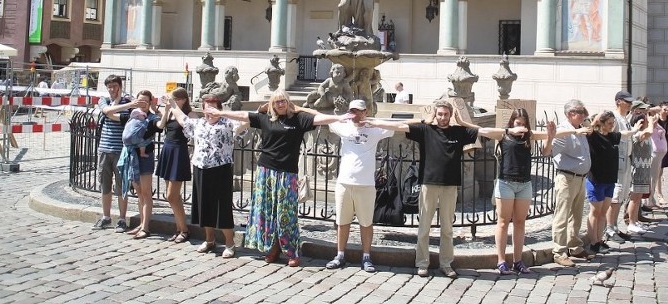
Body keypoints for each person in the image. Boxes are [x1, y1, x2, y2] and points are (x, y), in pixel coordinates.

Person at [367, 100, 518, 278]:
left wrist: (462, 122)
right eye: (439, 114)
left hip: (450, 185)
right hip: (428, 184)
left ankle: (446, 264)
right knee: (424, 227)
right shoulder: (425, 130)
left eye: (446, 114)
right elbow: (401, 126)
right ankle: (422, 263)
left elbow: (482, 131)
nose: (443, 117)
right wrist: (423, 120)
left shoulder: (459, 131)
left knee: (447, 228)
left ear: (450, 115)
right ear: (435, 114)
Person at [209, 89, 350, 267]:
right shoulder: (265, 118)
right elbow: (242, 115)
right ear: (272, 105)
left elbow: (320, 117)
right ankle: (272, 248)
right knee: (267, 212)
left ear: (288, 102)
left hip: (287, 173)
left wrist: (338, 117)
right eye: (276, 102)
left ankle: (291, 251)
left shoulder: (299, 119)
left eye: (283, 101)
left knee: (286, 213)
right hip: (265, 171)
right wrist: (220, 112)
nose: (280, 104)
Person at [489, 109, 563, 274]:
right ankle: (501, 260)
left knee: (520, 222)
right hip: (506, 182)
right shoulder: (504, 135)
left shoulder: (529, 136)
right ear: (512, 122)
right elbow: (483, 131)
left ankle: (517, 260)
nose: (521, 127)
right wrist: (510, 131)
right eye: (518, 123)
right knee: (502, 222)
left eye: (523, 124)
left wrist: (550, 136)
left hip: (524, 184)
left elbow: (545, 152)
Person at [324, 100, 394, 272]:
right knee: (342, 221)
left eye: (358, 111)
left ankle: (366, 256)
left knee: (366, 222)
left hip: (366, 184)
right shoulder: (344, 126)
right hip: (344, 182)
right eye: (352, 111)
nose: (354, 115)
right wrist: (342, 117)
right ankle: (340, 254)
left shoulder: (375, 129)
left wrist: (373, 121)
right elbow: (322, 118)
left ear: (365, 111)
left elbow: (397, 126)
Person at [170, 94, 239, 258]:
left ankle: (229, 242)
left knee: (222, 207)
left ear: (219, 107)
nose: (209, 110)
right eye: (206, 107)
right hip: (201, 167)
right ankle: (209, 240)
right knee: (204, 205)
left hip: (220, 169)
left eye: (213, 106)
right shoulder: (199, 123)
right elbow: (182, 119)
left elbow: (244, 121)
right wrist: (172, 103)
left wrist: (222, 114)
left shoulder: (228, 123)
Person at [544, 99, 594, 267]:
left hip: (580, 178)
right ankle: (559, 251)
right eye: (581, 112)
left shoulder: (580, 128)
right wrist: (571, 133)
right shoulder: (564, 131)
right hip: (567, 178)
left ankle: (575, 246)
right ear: (571, 114)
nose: (584, 115)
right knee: (562, 215)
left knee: (577, 215)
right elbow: (549, 151)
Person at [585, 111, 641, 254]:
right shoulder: (593, 136)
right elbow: (588, 127)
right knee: (595, 212)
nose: (612, 126)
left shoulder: (612, 137)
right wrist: (595, 119)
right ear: (601, 123)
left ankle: (600, 239)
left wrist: (635, 130)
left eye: (613, 123)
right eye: (609, 123)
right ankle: (593, 243)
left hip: (610, 180)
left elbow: (625, 134)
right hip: (596, 179)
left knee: (603, 212)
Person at [119, 91, 161, 239]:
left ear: (150, 102)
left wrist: (157, 109)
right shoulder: (132, 115)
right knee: (139, 194)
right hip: (132, 157)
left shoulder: (151, 118)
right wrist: (130, 104)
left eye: (145, 101)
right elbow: (109, 113)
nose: (142, 103)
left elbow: (160, 125)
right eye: (140, 100)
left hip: (145, 158)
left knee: (146, 193)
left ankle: (145, 227)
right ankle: (142, 223)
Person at [93, 74, 133, 232]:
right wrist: (115, 108)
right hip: (104, 149)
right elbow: (106, 110)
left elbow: (124, 118)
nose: (112, 89)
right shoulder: (103, 100)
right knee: (105, 185)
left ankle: (122, 219)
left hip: (120, 150)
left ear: (120, 87)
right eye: (109, 86)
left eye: (115, 86)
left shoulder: (128, 102)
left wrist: (114, 110)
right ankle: (106, 217)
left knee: (121, 186)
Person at [156, 87, 193, 243]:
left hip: (179, 151)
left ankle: (184, 229)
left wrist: (175, 107)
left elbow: (187, 126)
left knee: (172, 195)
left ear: (183, 99)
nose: (172, 101)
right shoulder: (170, 111)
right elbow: (160, 126)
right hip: (168, 150)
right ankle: (180, 228)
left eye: (175, 98)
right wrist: (166, 111)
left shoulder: (188, 114)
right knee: (174, 197)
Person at [604, 90, 634, 244]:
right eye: (626, 101)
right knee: (615, 195)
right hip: (617, 160)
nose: (629, 104)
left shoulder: (625, 118)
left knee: (622, 194)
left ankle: (614, 226)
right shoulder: (614, 118)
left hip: (626, 159)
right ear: (618, 102)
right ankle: (609, 228)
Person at [625, 106, 656, 235]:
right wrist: (651, 122)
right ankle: (631, 222)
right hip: (637, 169)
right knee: (635, 197)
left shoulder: (644, 133)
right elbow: (648, 133)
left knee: (638, 198)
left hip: (644, 168)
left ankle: (635, 220)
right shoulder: (638, 134)